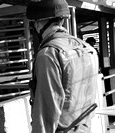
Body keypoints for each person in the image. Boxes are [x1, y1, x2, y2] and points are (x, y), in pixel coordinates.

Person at [26, 0, 99, 133]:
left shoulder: (48, 54)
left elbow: (46, 111)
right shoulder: (88, 49)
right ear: (62, 20)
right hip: (85, 128)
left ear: (37, 23)